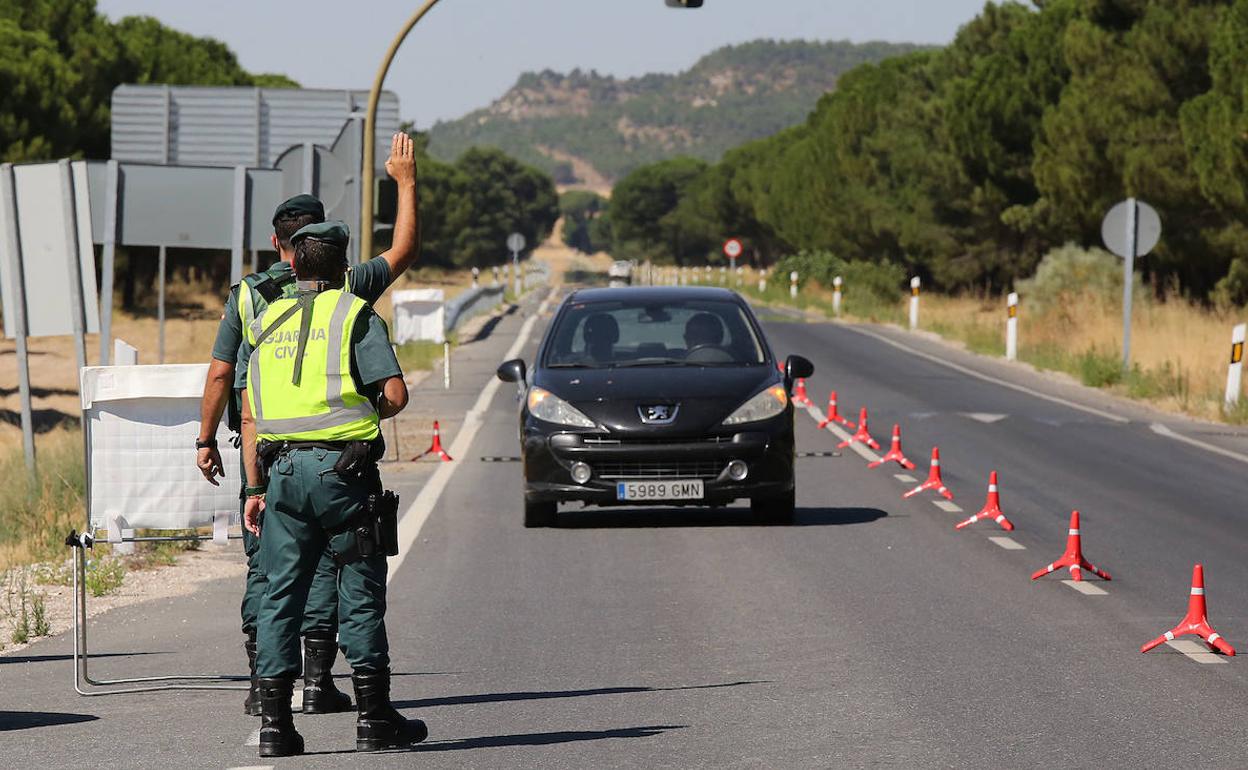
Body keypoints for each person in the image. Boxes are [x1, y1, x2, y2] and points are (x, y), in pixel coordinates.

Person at [195, 132, 420, 716]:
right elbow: (402, 255)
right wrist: (405, 182)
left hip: (273, 463)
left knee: (273, 582)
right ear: (338, 256)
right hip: (342, 468)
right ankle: (351, 701)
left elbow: (232, 387)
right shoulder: (351, 301)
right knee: (351, 582)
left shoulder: (257, 310)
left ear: (284, 247)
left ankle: (270, 708)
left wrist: (229, 461)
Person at [238, 221, 426, 757]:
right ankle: (374, 718)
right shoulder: (353, 314)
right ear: (344, 267)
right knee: (359, 589)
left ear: (293, 265)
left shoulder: (266, 321)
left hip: (282, 473)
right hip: (344, 473)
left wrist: (254, 487)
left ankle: (275, 726)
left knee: (281, 594)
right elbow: (395, 394)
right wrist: (366, 412)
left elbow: (250, 413)